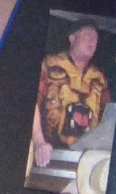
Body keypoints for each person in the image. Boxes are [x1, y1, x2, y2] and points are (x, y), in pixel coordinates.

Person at [31, 19, 111, 167]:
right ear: (72, 38)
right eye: (88, 35)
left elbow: (108, 118)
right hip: (48, 153)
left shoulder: (99, 78)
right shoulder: (49, 64)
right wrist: (39, 142)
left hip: (85, 159)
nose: (93, 41)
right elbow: (31, 103)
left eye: (96, 39)